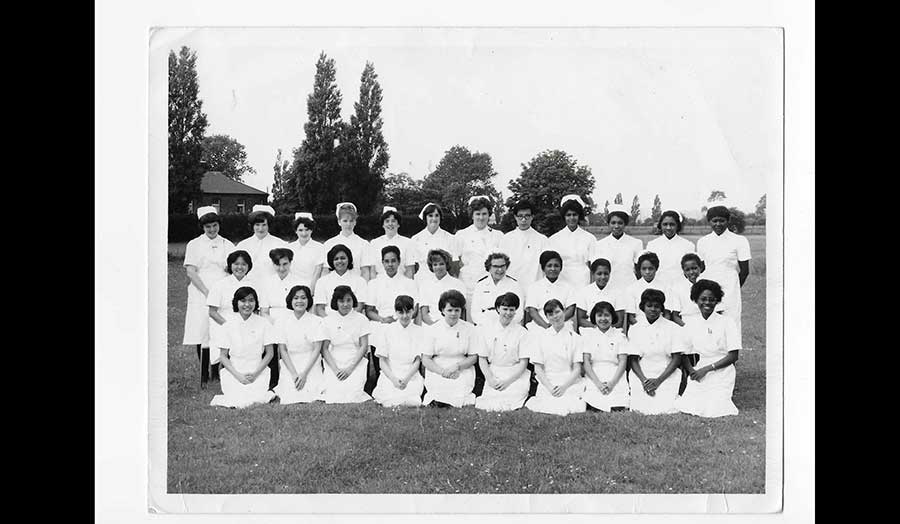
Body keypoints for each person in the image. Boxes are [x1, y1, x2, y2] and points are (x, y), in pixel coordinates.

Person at [182, 206, 235, 388]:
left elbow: (233, 268)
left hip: (222, 290)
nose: (212, 230)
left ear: (219, 224)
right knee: (202, 330)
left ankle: (218, 370)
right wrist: (206, 292)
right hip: (200, 291)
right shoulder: (194, 244)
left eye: (214, 226)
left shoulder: (227, 244)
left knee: (222, 329)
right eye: (207, 227)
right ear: (202, 227)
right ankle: (204, 373)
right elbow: (191, 271)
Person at [674, 280, 741, 417]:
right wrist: (692, 371)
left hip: (722, 369)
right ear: (696, 300)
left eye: (712, 299)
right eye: (703, 299)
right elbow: (683, 353)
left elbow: (733, 356)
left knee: (715, 408)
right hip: (700, 369)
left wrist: (706, 369)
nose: (707, 303)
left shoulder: (727, 322)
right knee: (689, 405)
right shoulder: (691, 323)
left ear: (717, 301)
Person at [206, 250, 267, 389]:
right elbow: (212, 312)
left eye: (244, 264)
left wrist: (251, 325)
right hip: (224, 323)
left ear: (249, 266)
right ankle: (222, 371)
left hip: (250, 321)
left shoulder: (255, 284)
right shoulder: (220, 284)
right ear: (230, 265)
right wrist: (231, 326)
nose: (240, 267)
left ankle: (254, 371)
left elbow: (258, 309)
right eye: (236, 264)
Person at [209, 287, 276, 408]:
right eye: (243, 301)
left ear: (256, 303)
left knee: (256, 398)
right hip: (234, 371)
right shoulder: (228, 324)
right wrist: (238, 375)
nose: (247, 304)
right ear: (236, 303)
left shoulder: (264, 323)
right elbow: (223, 356)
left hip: (257, 370)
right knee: (236, 398)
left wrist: (255, 374)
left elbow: (270, 353)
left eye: (251, 300)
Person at [696, 203, 751, 344]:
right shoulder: (703, 242)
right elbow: (701, 268)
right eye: (714, 220)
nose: (718, 224)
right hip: (709, 285)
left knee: (731, 319)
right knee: (709, 318)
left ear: (728, 221)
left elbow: (744, 271)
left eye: (722, 220)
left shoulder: (739, 241)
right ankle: (709, 352)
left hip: (730, 286)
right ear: (709, 222)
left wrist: (734, 287)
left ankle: (731, 358)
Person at [524, 299, 586, 415]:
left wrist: (563, 387)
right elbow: (538, 368)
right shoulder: (540, 338)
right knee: (547, 402)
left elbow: (577, 368)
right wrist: (549, 387)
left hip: (569, 381)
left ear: (563, 312)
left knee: (574, 404)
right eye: (550, 314)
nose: (555, 317)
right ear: (547, 317)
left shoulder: (576, 338)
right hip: (548, 381)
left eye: (557, 312)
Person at [626, 289, 683, 415]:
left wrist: (658, 381)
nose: (653, 309)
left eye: (657, 306)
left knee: (665, 406)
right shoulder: (635, 329)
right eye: (649, 306)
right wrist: (644, 381)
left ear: (662, 308)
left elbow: (676, 359)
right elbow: (633, 359)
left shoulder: (673, 328)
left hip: (666, 371)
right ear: (642, 307)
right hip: (642, 371)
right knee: (640, 406)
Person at [474, 292, 532, 412]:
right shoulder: (486, 330)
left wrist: (508, 381)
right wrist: (490, 378)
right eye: (505, 309)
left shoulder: (522, 332)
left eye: (512, 309)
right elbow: (482, 359)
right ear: (497, 309)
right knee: (491, 399)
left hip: (515, 374)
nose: (508, 313)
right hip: (494, 371)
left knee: (512, 396)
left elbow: (523, 363)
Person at [421, 290, 478, 407]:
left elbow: (473, 357)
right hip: (438, 367)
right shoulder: (433, 329)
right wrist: (442, 372)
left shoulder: (470, 328)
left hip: (462, 366)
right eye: (449, 310)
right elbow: (425, 359)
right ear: (442, 310)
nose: (453, 314)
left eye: (457, 310)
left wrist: (457, 367)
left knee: (460, 388)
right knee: (439, 388)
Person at [272, 285, 326, 405]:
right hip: (290, 363)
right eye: (296, 298)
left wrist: (304, 374)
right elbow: (283, 350)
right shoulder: (281, 321)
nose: (299, 301)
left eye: (303, 298)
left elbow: (317, 349)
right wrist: (294, 374)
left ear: (309, 300)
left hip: (310, 362)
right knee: (290, 392)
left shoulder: (317, 321)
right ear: (290, 300)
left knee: (311, 391)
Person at [319, 286, 372, 403]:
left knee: (353, 394)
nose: (345, 304)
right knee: (334, 394)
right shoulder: (327, 321)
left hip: (355, 360)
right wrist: (336, 370)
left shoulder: (361, 319)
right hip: (334, 360)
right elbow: (325, 349)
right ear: (335, 302)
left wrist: (350, 369)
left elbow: (364, 346)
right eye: (341, 301)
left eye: (348, 300)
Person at [371, 295, 425, 407]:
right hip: (390, 373)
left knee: (412, 398)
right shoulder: (387, 330)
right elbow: (382, 361)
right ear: (395, 312)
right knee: (389, 395)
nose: (405, 316)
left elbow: (417, 361)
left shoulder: (419, 331)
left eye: (408, 312)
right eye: (401, 312)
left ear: (413, 311)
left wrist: (406, 379)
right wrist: (394, 379)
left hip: (410, 374)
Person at [454, 195, 503, 314]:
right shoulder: (462, 235)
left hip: (492, 285)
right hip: (469, 285)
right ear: (472, 215)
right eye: (477, 214)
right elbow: (455, 263)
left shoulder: (498, 235)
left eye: (484, 214)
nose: (481, 218)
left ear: (489, 214)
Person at [364, 245, 419, 348]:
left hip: (404, 322)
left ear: (399, 262)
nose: (390, 264)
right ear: (382, 263)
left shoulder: (410, 283)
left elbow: (415, 310)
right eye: (387, 261)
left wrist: (399, 320)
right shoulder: (374, 284)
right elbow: (369, 311)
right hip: (381, 325)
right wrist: (383, 319)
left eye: (393, 261)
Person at [580, 301, 629, 412]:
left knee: (618, 400)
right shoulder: (588, 336)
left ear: (612, 317)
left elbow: (622, 362)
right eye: (599, 315)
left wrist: (612, 383)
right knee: (594, 398)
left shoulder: (620, 336)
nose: (603, 319)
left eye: (607, 315)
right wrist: (598, 383)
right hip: (595, 372)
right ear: (594, 317)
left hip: (615, 371)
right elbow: (586, 362)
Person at [590, 203, 643, 295]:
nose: (616, 226)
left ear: (625, 224)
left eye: (620, 223)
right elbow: (596, 271)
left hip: (629, 287)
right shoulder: (600, 244)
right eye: (613, 223)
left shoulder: (636, 243)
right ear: (608, 224)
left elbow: (639, 270)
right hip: (608, 288)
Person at [548, 194, 596, 289]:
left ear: (579, 216)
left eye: (574, 215)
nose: (572, 218)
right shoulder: (554, 239)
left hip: (583, 282)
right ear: (564, 216)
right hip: (561, 283)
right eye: (568, 215)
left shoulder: (589, 238)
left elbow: (593, 267)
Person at [498, 199, 548, 286]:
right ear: (515, 217)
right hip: (512, 288)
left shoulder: (542, 240)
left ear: (532, 217)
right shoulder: (506, 239)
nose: (524, 220)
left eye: (527, 216)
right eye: (520, 216)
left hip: (535, 287)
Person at [524, 250, 576, 331]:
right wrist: (546, 326)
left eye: (556, 266)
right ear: (543, 268)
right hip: (540, 325)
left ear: (561, 268)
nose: (553, 269)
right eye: (549, 266)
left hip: (563, 323)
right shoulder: (534, 287)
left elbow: (571, 310)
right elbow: (532, 311)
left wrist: (557, 323)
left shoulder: (568, 287)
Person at [470, 253, 524, 327]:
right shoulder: (481, 285)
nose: (500, 269)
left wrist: (504, 324)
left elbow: (519, 313)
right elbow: (475, 313)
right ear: (489, 268)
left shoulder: (514, 285)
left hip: (508, 324)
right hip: (485, 325)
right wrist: (488, 324)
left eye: (502, 266)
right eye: (496, 266)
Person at [235, 205, 286, 284]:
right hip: (248, 287)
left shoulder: (280, 244)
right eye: (257, 225)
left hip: (272, 286)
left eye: (264, 225)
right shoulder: (243, 245)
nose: (260, 229)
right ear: (252, 225)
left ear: (269, 225)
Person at [669, 253, 725, 326]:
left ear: (700, 268)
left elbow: (719, 311)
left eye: (694, 268)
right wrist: (686, 328)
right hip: (687, 323)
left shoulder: (711, 285)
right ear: (683, 271)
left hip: (709, 323)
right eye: (687, 270)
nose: (691, 272)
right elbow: (675, 316)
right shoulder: (677, 288)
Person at [313, 244, 368, 318]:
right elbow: (320, 309)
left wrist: (347, 320)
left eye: (343, 258)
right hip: (329, 321)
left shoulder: (360, 281)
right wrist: (331, 321)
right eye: (336, 259)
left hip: (353, 321)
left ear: (349, 259)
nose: (340, 261)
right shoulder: (322, 281)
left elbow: (359, 306)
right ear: (331, 261)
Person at [321, 202, 372, 280]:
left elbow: (365, 271)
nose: (348, 224)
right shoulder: (329, 244)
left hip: (356, 286)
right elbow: (325, 271)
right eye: (345, 221)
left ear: (355, 222)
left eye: (351, 221)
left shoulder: (363, 244)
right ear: (339, 222)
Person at [646, 210, 696, 288]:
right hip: (658, 286)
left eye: (672, 224)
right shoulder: (652, 245)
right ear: (660, 225)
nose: (668, 228)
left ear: (677, 226)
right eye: (665, 224)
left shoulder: (688, 245)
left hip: (681, 287)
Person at [417, 249, 466, 326]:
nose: (438, 267)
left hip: (454, 325)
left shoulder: (458, 284)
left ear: (447, 264)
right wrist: (435, 327)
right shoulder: (425, 285)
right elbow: (424, 314)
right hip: (432, 326)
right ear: (431, 266)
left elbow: (461, 312)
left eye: (441, 264)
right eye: (435, 265)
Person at [411, 203, 459, 281]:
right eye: (430, 215)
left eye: (437, 215)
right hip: (422, 281)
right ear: (425, 217)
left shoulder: (450, 238)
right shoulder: (416, 239)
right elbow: (413, 266)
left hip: (444, 281)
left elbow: (454, 265)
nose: (434, 218)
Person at [575, 258, 625, 332]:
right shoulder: (584, 292)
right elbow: (581, 319)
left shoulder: (618, 293)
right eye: (599, 273)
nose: (603, 277)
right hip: (591, 329)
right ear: (593, 274)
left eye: (606, 273)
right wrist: (596, 327)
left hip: (611, 330)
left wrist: (606, 328)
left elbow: (619, 321)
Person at [623, 251, 669, 332]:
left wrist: (659, 327)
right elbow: (631, 317)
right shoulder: (632, 288)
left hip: (661, 326)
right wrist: (644, 328)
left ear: (656, 268)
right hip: (639, 326)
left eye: (650, 268)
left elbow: (667, 314)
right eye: (644, 269)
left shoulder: (665, 287)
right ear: (639, 269)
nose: (647, 272)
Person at [367, 206, 417, 279]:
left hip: (401, 283)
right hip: (380, 283)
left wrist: (407, 287)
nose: (390, 224)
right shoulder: (374, 243)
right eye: (387, 221)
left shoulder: (408, 243)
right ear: (383, 225)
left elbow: (410, 270)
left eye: (393, 221)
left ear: (398, 224)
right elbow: (372, 270)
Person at [287, 212, 325, 292]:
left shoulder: (319, 247)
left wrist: (311, 291)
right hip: (292, 287)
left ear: (311, 230)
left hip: (311, 288)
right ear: (295, 231)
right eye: (300, 230)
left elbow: (317, 272)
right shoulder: (289, 248)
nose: (304, 233)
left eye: (307, 230)